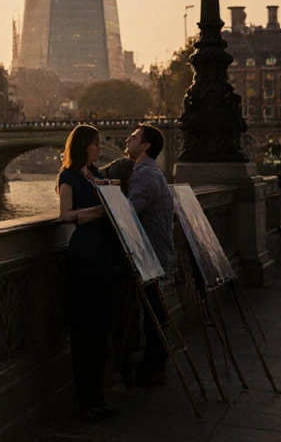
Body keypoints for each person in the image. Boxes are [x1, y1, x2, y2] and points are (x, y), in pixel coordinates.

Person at [56, 124, 120, 421]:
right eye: (95, 143)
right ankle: (85, 402)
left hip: (104, 253)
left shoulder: (98, 176)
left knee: (101, 330)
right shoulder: (67, 177)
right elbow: (65, 215)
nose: (100, 147)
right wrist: (98, 211)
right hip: (84, 255)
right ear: (82, 145)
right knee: (86, 331)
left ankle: (99, 397)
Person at [122, 124, 174, 385]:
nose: (128, 139)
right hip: (158, 251)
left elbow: (129, 214)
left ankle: (153, 366)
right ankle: (155, 364)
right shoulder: (154, 172)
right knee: (155, 309)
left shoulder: (144, 175)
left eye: (134, 137)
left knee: (152, 313)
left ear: (146, 146)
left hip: (148, 254)